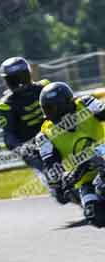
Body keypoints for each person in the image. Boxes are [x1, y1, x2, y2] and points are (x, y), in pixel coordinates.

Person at [37, 81, 105, 221]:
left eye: (51, 109)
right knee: (94, 216)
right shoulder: (44, 136)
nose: (48, 115)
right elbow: (51, 167)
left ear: (65, 106)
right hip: (85, 178)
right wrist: (64, 177)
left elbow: (102, 109)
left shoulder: (86, 103)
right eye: (46, 110)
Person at [0, 57, 51, 177]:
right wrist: (23, 150)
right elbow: (8, 135)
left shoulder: (45, 87)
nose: (19, 83)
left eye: (21, 77)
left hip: (58, 137)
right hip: (34, 150)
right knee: (54, 184)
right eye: (14, 79)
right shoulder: (6, 104)